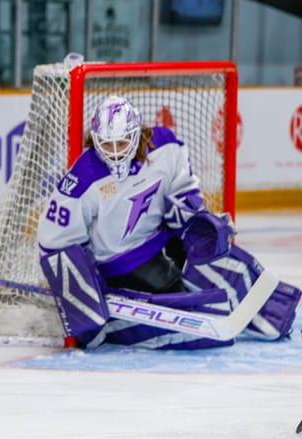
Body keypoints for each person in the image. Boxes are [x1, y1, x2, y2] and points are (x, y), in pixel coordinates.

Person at [37, 94, 300, 350]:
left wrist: (195, 217)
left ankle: (276, 316)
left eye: (122, 142)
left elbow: (183, 189)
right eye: (107, 145)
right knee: (204, 308)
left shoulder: (165, 147)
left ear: (137, 134)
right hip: (123, 266)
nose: (115, 153)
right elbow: (54, 239)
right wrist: (80, 288)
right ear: (95, 140)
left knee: (227, 263)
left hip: (166, 245)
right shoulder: (84, 177)